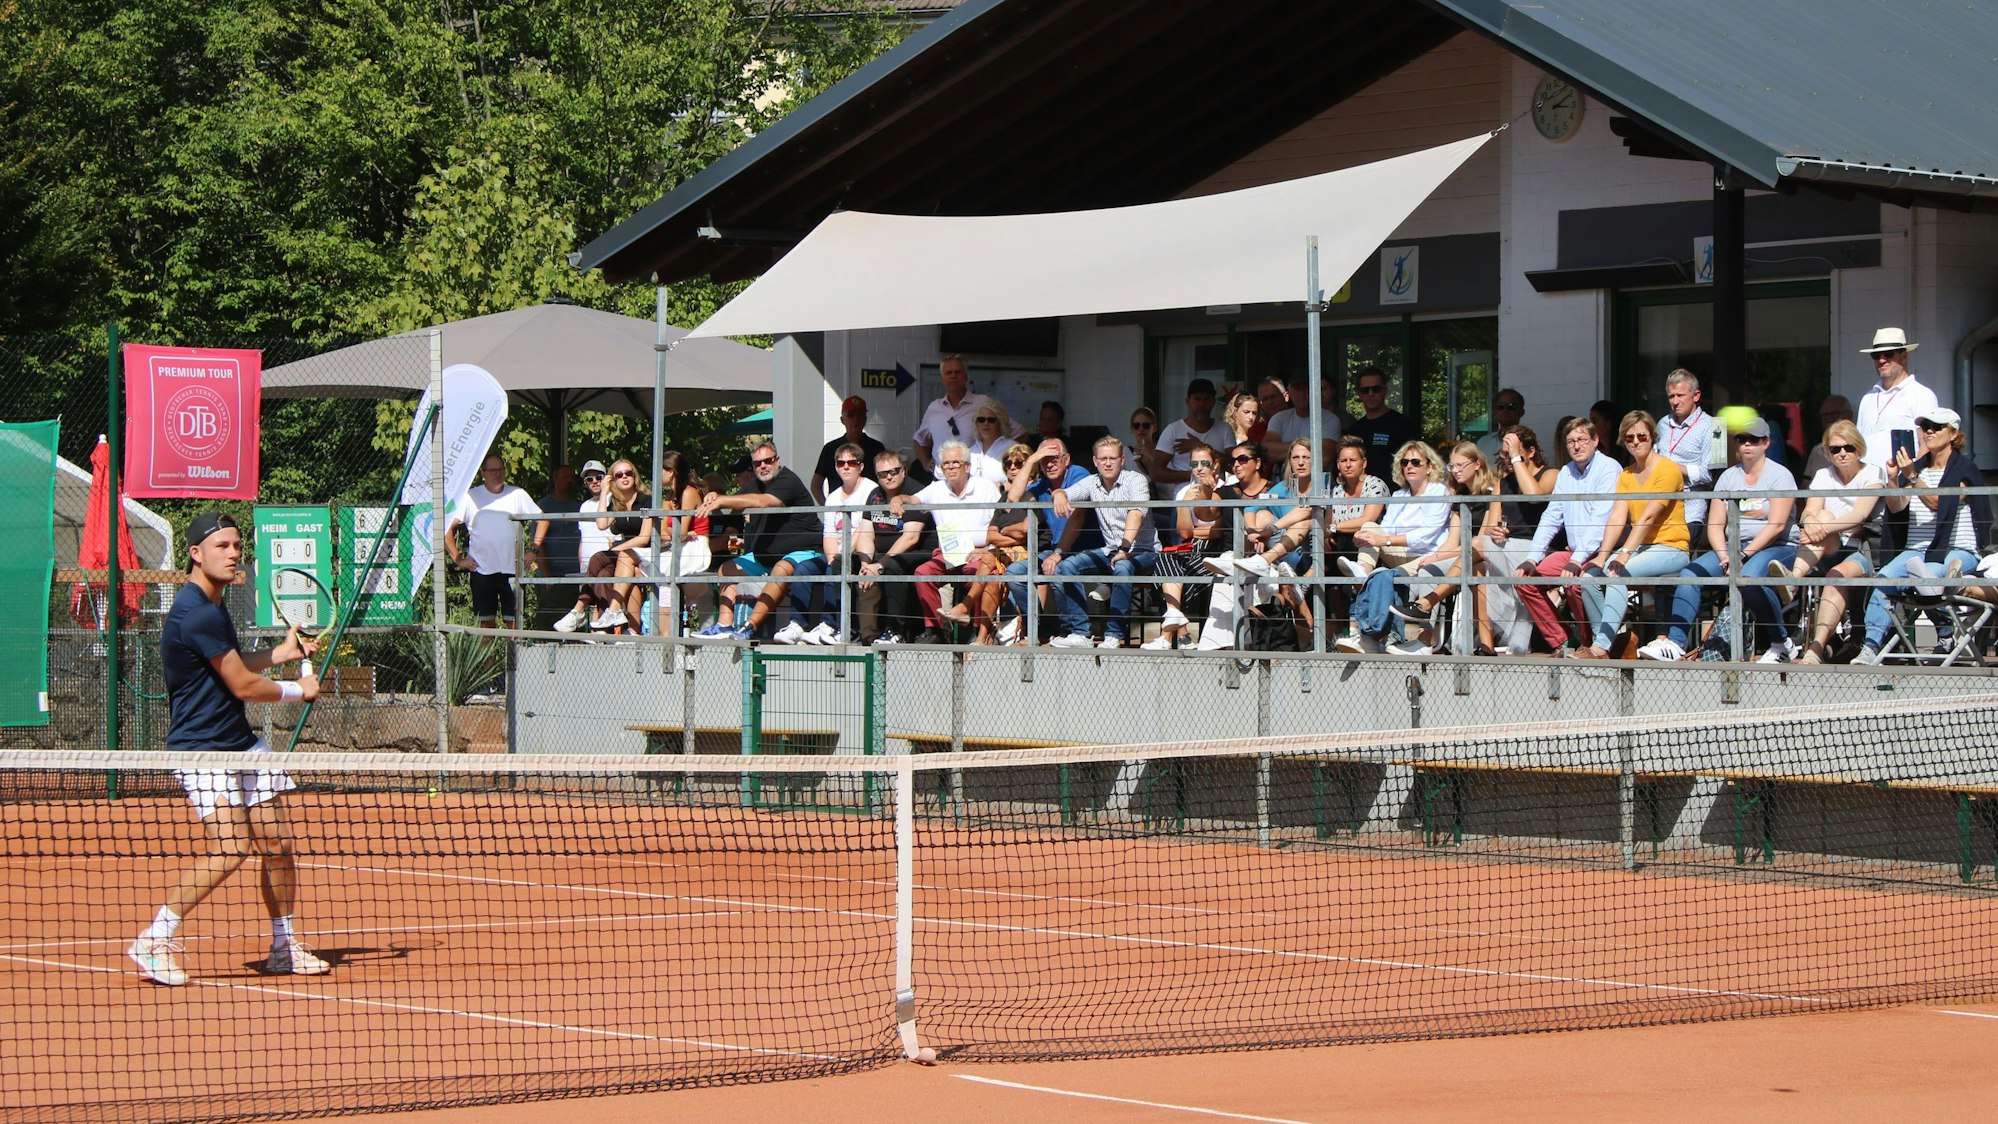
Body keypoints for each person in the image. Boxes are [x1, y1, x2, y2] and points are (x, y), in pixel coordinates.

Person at [128, 512, 327, 987]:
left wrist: (282, 654)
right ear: (196, 554)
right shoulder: (197, 612)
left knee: (278, 845)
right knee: (232, 847)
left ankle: (283, 946)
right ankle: (154, 938)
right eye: (222, 546)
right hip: (202, 751)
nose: (234, 553)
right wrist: (299, 691)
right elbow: (241, 685)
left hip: (241, 744)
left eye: (237, 545)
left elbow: (232, 664)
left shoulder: (212, 608)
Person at [1639, 418, 1797, 662]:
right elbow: (1714, 525)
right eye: (1741, 439)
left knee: (1748, 578)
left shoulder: (1780, 475)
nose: (1747, 444)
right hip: (1734, 548)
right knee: (1690, 574)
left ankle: (1781, 643)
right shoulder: (1727, 477)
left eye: (1753, 440)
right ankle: (1675, 643)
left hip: (1777, 546)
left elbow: (1776, 525)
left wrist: (1741, 556)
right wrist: (1725, 555)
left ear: (1766, 443)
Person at [1850, 408, 1989, 665]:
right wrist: (1894, 480)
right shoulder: (1916, 470)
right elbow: (1897, 508)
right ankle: (1870, 647)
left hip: (1957, 550)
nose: (1929, 431)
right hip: (1917, 551)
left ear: (1953, 434)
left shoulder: (1964, 470)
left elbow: (1939, 503)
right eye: (1925, 427)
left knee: (1927, 576)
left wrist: (1912, 477)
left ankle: (1945, 634)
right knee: (1884, 580)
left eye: (1937, 426)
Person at [1570, 410, 1689, 658]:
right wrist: (1602, 556)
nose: (1635, 442)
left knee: (1617, 573)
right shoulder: (1626, 474)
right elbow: (1617, 518)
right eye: (1629, 437)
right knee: (1589, 577)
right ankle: (1609, 643)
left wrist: (1623, 554)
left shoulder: (1667, 469)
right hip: (1642, 549)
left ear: (1652, 436)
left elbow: (1647, 518)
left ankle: (1600, 647)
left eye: (1641, 436)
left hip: (1672, 547)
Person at [1334, 441, 1457, 655]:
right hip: (1401, 553)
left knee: (1381, 576)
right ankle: (1363, 570)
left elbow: (1425, 536)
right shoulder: (1399, 495)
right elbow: (1386, 528)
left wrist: (1384, 541)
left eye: (1416, 462)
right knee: (1369, 526)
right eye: (1405, 462)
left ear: (1429, 467)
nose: (1409, 466)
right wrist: (1366, 536)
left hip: (1428, 556)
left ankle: (1370, 638)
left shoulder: (1439, 492)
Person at [1515, 417, 1622, 654]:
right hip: (1574, 553)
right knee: (1525, 580)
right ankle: (1564, 641)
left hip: (1602, 553)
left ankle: (1590, 645)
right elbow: (1552, 516)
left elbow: (1600, 519)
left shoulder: (1609, 468)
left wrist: (1576, 560)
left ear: (1595, 440)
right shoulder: (1566, 472)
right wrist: (1532, 557)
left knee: (1575, 584)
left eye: (1582, 439)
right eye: (1571, 441)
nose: (1576, 446)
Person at [695, 442, 821, 640]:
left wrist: (721, 500)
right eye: (757, 463)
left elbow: (763, 502)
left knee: (781, 568)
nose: (763, 466)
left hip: (804, 552)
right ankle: (724, 625)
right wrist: (714, 496)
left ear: (777, 460)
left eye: (768, 461)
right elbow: (736, 502)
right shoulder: (755, 485)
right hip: (767, 557)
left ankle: (749, 626)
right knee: (726, 568)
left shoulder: (788, 480)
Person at [1788, 420, 1888, 664]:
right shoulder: (1824, 475)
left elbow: (1859, 516)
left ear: (1859, 449)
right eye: (1835, 449)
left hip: (1863, 550)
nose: (1842, 453)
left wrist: (1817, 528)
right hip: (1829, 545)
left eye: (1848, 448)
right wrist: (1810, 523)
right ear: (1827, 452)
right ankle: (1793, 580)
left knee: (1835, 574)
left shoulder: (1873, 473)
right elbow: (1808, 512)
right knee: (1821, 515)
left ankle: (1815, 648)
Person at [1390, 443, 1503, 655]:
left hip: (1483, 555)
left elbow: (1481, 540)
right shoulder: (1459, 495)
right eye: (1452, 466)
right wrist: (1435, 557)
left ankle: (1425, 610)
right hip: (1463, 554)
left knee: (1450, 565)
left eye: (1461, 465)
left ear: (1477, 464)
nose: (1456, 470)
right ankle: (1424, 641)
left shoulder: (1490, 492)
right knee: (1427, 570)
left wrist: (1439, 555)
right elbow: (1453, 541)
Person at [1049, 436, 1157, 648]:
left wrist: (1124, 548)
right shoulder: (1092, 482)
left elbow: (1136, 513)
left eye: (1112, 458)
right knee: (1067, 566)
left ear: (1122, 460)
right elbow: (1064, 492)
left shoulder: (1136, 480)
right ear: (1095, 461)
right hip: (1110, 550)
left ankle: (1113, 635)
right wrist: (1059, 495)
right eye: (1103, 459)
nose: (1108, 463)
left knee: (1123, 567)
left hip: (1143, 551)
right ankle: (1081, 633)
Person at [906, 439, 1003, 643]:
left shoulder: (985, 487)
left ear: (967, 466)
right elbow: (913, 500)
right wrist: (899, 500)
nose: (950, 467)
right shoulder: (936, 488)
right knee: (922, 573)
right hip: (949, 554)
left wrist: (987, 548)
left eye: (955, 462)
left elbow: (1000, 521)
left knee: (978, 574)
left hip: (979, 552)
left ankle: (976, 630)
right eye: (946, 464)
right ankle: (936, 630)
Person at [1000, 438, 1093, 644]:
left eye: (1054, 459)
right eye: (1044, 461)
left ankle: (1074, 632)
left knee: (1058, 569)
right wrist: (1031, 460)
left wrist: (1058, 554)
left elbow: (1077, 518)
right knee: (1014, 573)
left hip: (1086, 549)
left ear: (1066, 459)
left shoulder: (1078, 474)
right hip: (1057, 550)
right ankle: (1039, 629)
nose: (1049, 464)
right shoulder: (1042, 484)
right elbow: (1013, 498)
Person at [1473, 425, 1556, 655]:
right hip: (1505, 546)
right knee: (1477, 570)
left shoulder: (1550, 474)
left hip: (1537, 549)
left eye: (1511, 453)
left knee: (1475, 546)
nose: (1507, 459)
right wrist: (1497, 532)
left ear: (1530, 451)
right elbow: (1491, 527)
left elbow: (1534, 497)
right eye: (1504, 454)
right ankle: (1486, 645)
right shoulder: (1503, 483)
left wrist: (1517, 459)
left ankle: (1431, 598)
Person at [783, 442, 877, 645]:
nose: (846, 467)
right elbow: (829, 534)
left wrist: (839, 558)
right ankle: (796, 625)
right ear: (835, 467)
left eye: (852, 462)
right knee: (803, 569)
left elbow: (863, 529)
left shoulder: (871, 490)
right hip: (836, 552)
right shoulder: (833, 497)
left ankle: (830, 625)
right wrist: (832, 558)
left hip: (860, 552)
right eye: (841, 463)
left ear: (861, 466)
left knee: (835, 568)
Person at [1145, 442, 1230, 649]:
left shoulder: (1225, 488)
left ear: (1215, 464)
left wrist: (1196, 529)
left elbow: (1218, 531)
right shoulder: (1184, 491)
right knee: (1166, 559)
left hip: (1216, 550)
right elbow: (1184, 532)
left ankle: (1170, 636)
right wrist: (1184, 504)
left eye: (1204, 463)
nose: (1199, 468)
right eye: (1194, 463)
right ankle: (1180, 630)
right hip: (1191, 548)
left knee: (1173, 573)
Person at [446, 454, 542, 628]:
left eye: (500, 470)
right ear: (483, 473)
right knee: (486, 624)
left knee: (514, 623)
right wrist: (458, 559)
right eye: (492, 470)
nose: (497, 474)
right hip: (481, 570)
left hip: (513, 569)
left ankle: (514, 648)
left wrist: (534, 549)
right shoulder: (470, 496)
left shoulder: (517, 494)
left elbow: (543, 519)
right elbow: (447, 528)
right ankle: (488, 649)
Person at [859, 451, 934, 645]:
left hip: (917, 553)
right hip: (882, 555)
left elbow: (911, 538)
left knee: (892, 565)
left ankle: (895, 631)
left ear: (903, 471)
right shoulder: (875, 495)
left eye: (893, 471)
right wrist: (866, 564)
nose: (889, 477)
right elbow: (866, 534)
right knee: (843, 564)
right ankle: (850, 630)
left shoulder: (915, 493)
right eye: (883, 474)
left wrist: (879, 565)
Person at [581, 459, 651, 633]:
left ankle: (580, 608)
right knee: (604, 573)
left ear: (635, 476)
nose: (625, 477)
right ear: (613, 480)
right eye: (619, 475)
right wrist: (604, 492)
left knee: (599, 558)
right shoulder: (616, 503)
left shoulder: (646, 500)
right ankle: (610, 626)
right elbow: (601, 524)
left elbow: (644, 538)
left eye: (628, 473)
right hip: (625, 557)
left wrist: (617, 548)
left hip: (646, 553)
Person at [1855, 327, 1940, 469]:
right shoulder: (1868, 398)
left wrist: (1910, 478)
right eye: (1876, 355)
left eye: (1888, 354)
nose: (1882, 360)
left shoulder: (1921, 394)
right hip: (1868, 481)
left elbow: (1928, 445)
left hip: (1903, 481)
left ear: (1904, 356)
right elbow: (1858, 445)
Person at [650, 451, 713, 635]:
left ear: (671, 472)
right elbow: (664, 532)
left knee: (666, 580)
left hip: (695, 548)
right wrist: (675, 533)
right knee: (654, 574)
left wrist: (675, 533)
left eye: (659, 470)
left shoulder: (688, 492)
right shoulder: (669, 497)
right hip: (678, 547)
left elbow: (681, 532)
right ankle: (662, 634)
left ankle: (665, 635)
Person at [1657, 369, 1721, 542]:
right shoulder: (1662, 423)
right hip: (1660, 508)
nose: (1675, 401)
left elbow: (1711, 476)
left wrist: (1669, 468)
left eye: (1680, 395)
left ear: (1696, 396)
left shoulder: (1715, 427)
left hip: (1690, 511)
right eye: (1671, 396)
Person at [552, 461, 614, 632]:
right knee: (595, 599)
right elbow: (583, 538)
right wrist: (582, 564)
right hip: (588, 564)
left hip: (609, 561)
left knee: (602, 591)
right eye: (589, 479)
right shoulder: (584, 506)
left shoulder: (614, 501)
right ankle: (595, 630)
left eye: (598, 477)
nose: (594, 482)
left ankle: (581, 615)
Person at [912, 354, 990, 474]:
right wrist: (925, 463)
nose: (953, 376)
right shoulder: (934, 408)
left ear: (965, 376)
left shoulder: (983, 403)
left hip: (973, 476)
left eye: (957, 372)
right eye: (948, 373)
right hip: (941, 477)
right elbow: (919, 441)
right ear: (942, 379)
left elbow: (1015, 433)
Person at [530, 465, 582, 629]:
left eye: (572, 477)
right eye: (565, 477)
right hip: (551, 578)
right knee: (548, 625)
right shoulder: (543, 507)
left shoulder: (578, 507)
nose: (569, 481)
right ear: (555, 479)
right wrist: (548, 576)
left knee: (573, 627)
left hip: (575, 578)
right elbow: (539, 544)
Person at [1153, 378, 1227, 488]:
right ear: (1188, 401)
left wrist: (1199, 446)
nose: (1202, 404)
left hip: (1218, 493)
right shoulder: (1173, 430)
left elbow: (1233, 465)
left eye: (1206, 399)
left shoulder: (1224, 429)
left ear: (1213, 402)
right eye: (1197, 399)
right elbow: (1156, 473)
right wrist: (1193, 475)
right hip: (1184, 494)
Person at [811, 396, 887, 502]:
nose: (856, 420)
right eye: (851, 415)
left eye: (860, 415)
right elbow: (815, 485)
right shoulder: (830, 449)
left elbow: (887, 479)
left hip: (870, 508)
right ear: (842, 420)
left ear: (865, 420)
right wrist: (828, 507)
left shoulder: (877, 448)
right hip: (839, 507)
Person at [1346, 367, 1415, 483]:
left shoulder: (1402, 424)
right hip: (1361, 491)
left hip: (1395, 491)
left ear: (1385, 391)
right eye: (1365, 390)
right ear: (1359, 394)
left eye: (1376, 389)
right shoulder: (1354, 429)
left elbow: (1413, 461)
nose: (1370, 394)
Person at [1266, 371, 1342, 464]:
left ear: (1316, 391)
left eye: (1307, 389)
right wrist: (1311, 449)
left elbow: (1325, 456)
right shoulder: (1279, 418)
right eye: (1297, 389)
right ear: (1289, 392)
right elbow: (1267, 451)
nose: (1302, 394)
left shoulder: (1330, 419)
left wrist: (1282, 450)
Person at [1801, 395, 1855, 479]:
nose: (1829, 418)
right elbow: (1806, 483)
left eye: (1834, 414)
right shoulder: (1817, 451)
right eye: (1825, 415)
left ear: (1849, 415)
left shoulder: (1858, 447)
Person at [963, 400, 1015, 484]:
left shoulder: (1012, 448)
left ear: (1000, 423)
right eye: (981, 419)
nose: (986, 423)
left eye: (991, 420)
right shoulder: (969, 451)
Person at [1476, 389, 1525, 460]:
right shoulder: (1482, 443)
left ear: (1521, 412)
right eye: (1501, 407)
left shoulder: (1528, 442)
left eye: (1511, 407)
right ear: (1495, 411)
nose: (1505, 410)